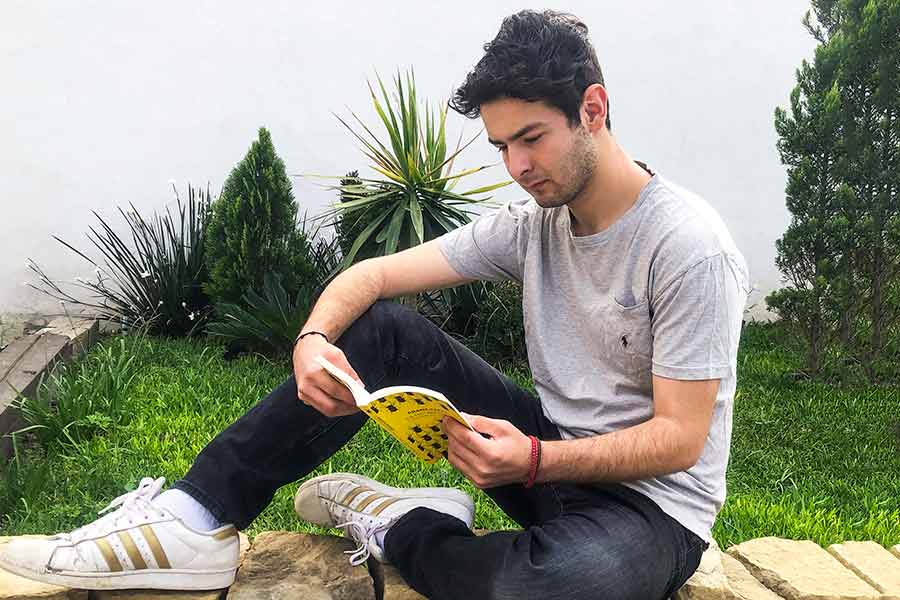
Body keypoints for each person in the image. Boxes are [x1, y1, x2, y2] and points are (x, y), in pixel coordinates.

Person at [0, 9, 750, 600]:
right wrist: (313, 339)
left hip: (650, 511)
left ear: (593, 109)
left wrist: (533, 460)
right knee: (381, 329)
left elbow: (680, 440)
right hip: (546, 456)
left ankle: (398, 522)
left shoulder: (688, 246)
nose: (518, 166)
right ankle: (196, 517)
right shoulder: (533, 227)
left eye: (532, 138)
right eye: (499, 146)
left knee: (547, 585)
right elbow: (373, 277)